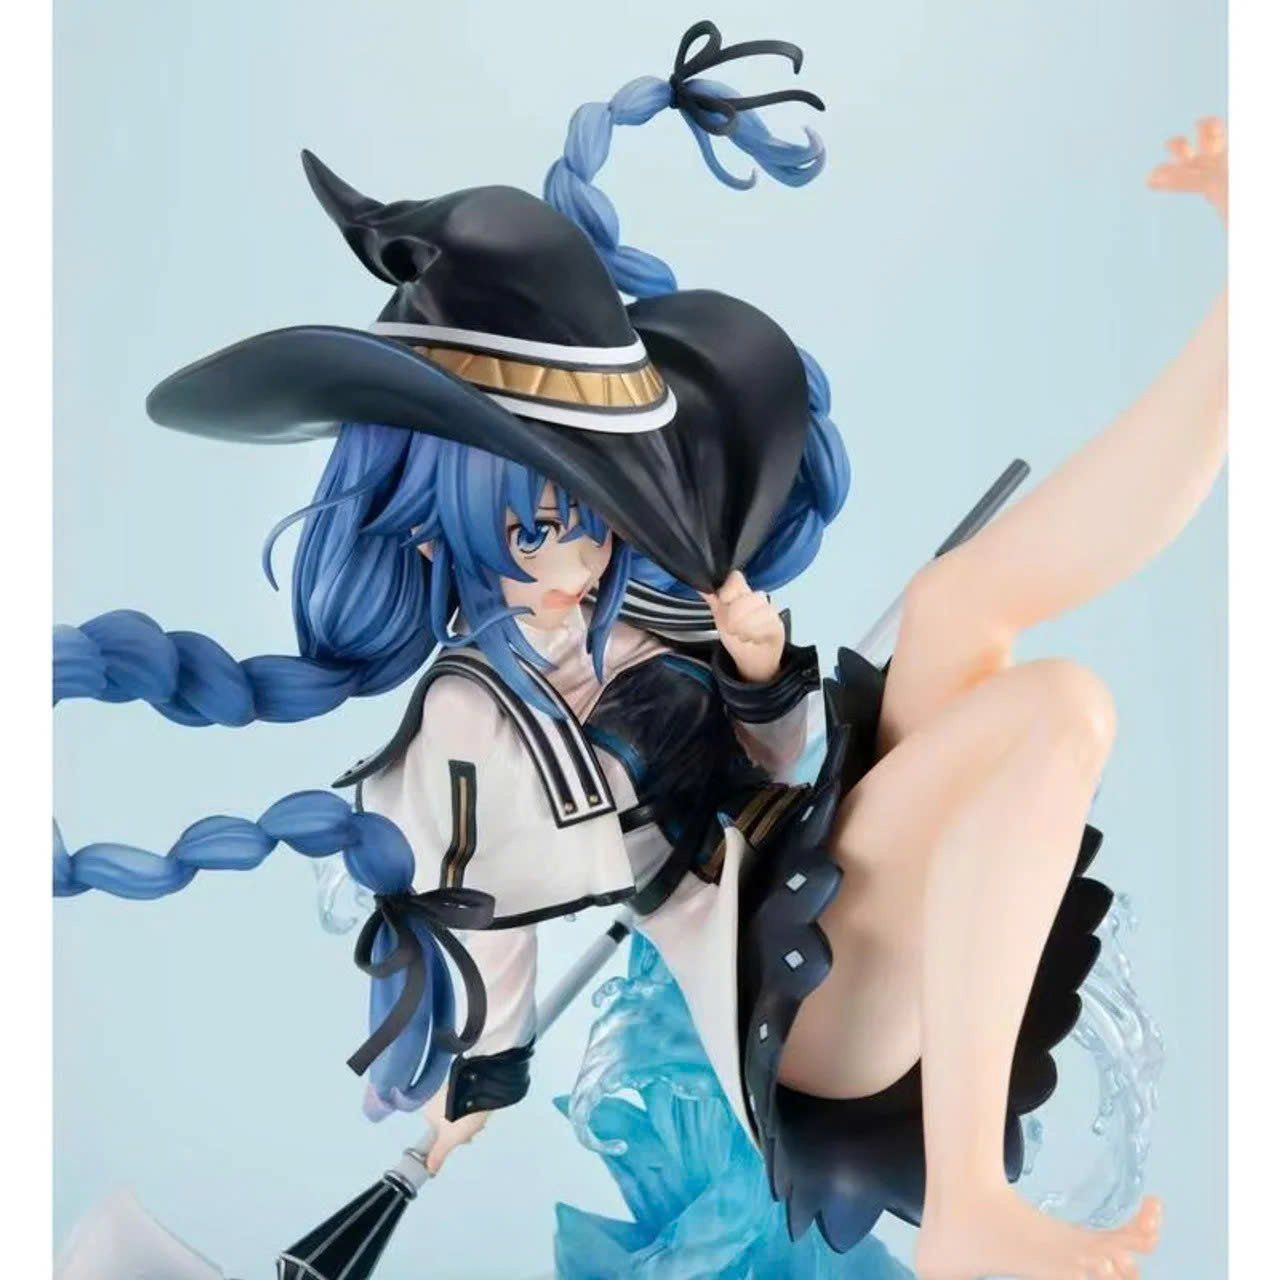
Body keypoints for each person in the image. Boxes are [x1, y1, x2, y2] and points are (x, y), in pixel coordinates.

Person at [52, 22, 1227, 1280]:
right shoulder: (473, 717)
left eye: (588, 511)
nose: (570, 556)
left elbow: (770, 763)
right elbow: (485, 925)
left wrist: (757, 670)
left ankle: (1239, 319)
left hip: (808, 865)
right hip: (789, 992)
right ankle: (968, 1209)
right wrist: (469, 1087)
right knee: (1054, 708)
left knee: (951, 606)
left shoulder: (648, 615)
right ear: (446, 528)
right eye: (527, 526)